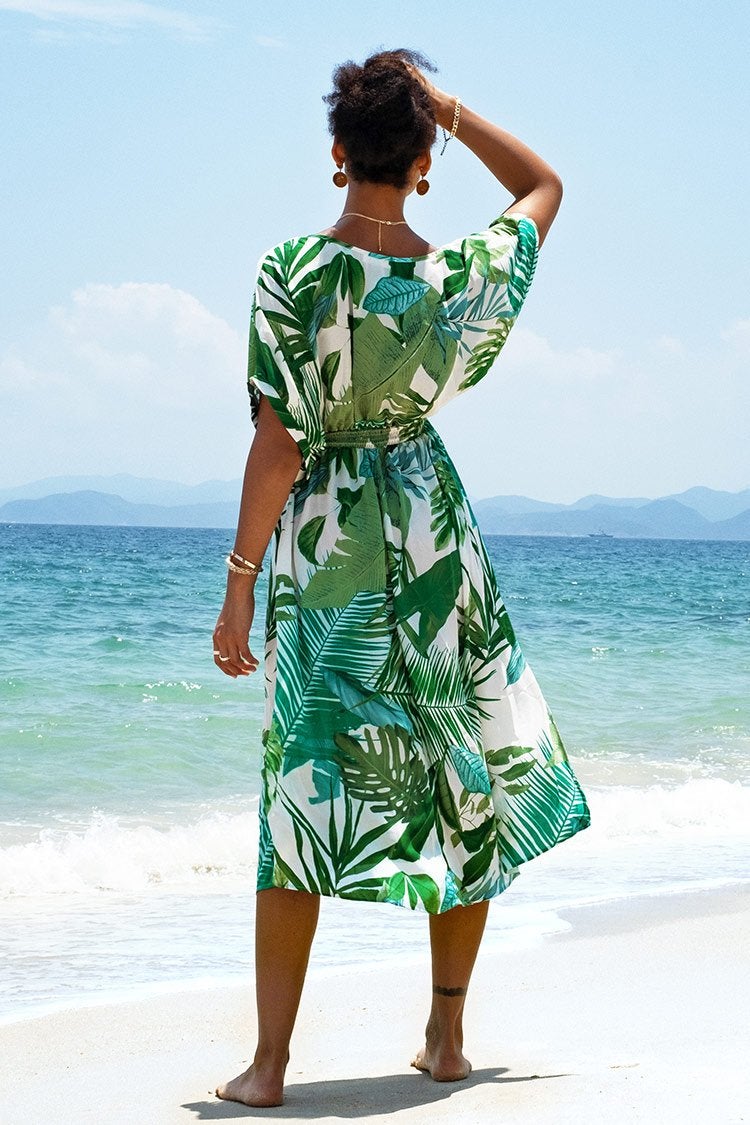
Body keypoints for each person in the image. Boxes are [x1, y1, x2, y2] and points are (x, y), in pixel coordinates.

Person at [212, 48, 591, 1108]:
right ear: (423, 162)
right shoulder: (454, 278)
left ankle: (270, 1065)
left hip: (329, 547)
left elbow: (278, 443)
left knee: (302, 792)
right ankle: (447, 1037)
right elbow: (544, 184)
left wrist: (240, 578)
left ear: (337, 153)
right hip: (432, 538)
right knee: (460, 773)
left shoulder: (292, 269)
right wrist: (450, 114)